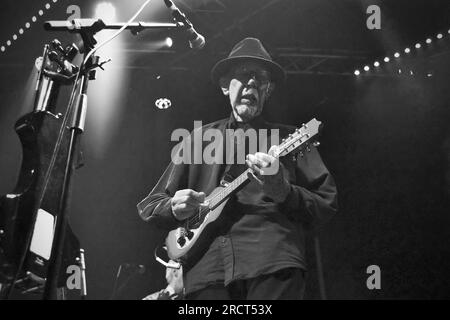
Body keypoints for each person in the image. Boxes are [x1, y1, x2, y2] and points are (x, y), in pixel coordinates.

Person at [137, 38, 338, 300]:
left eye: (261, 78)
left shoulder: (291, 139)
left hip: (271, 264)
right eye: (244, 75)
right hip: (206, 272)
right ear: (224, 86)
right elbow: (149, 204)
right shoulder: (198, 139)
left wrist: (284, 191)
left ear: (268, 90)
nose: (252, 82)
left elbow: (326, 203)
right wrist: (173, 207)